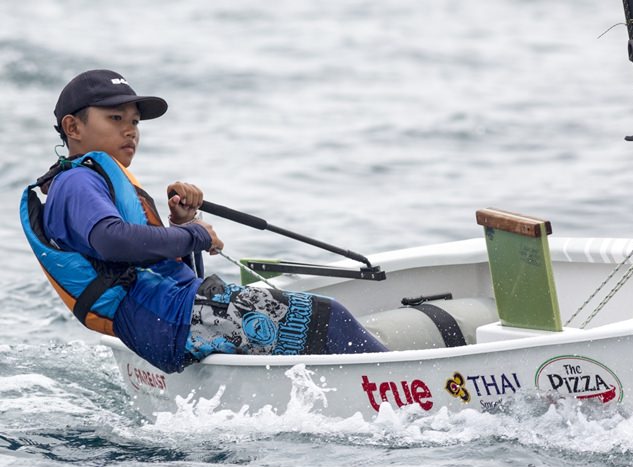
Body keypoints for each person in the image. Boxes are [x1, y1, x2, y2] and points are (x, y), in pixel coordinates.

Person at [20, 69, 386, 373]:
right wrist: (193, 235)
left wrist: (180, 224)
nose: (130, 130)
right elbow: (112, 242)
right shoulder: (78, 181)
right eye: (115, 119)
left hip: (164, 317)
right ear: (73, 126)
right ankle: (396, 381)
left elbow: (140, 265)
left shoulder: (85, 180)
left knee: (314, 323)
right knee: (329, 317)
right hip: (165, 318)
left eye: (134, 122)